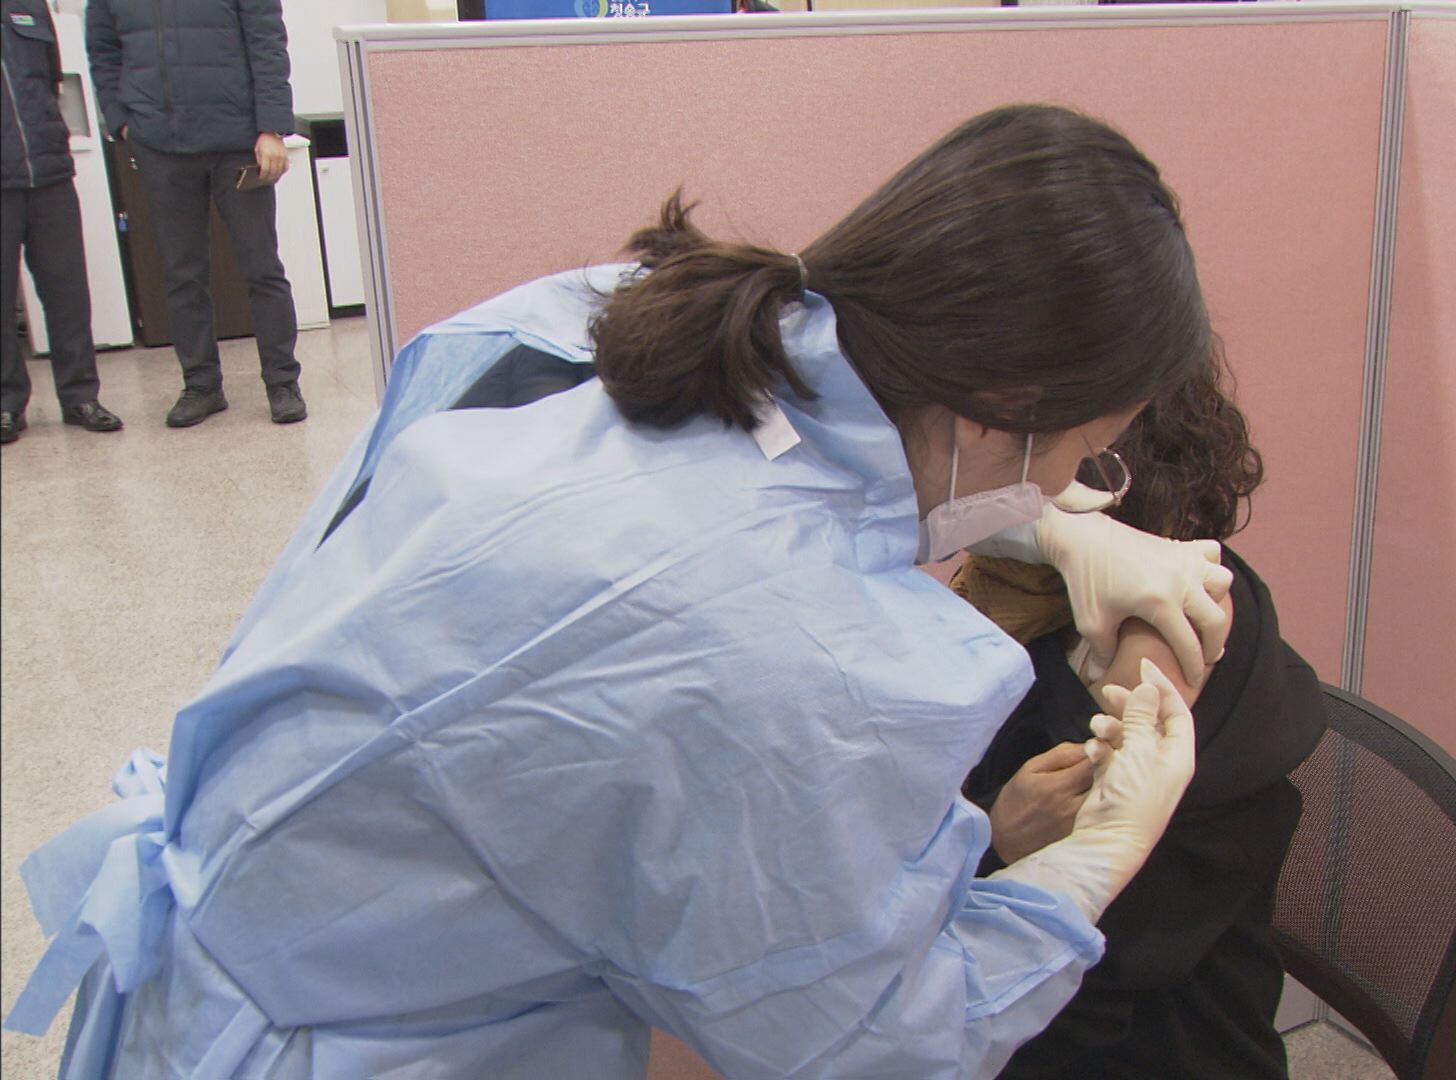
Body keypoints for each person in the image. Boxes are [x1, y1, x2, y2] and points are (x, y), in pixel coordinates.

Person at [4, 105, 1241, 1078]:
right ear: (1003, 409)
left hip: (216, 959)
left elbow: (789, 488)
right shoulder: (816, 668)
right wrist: (1096, 859)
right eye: (1093, 454)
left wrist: (1052, 526)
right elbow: (869, 1040)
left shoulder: (623, 324)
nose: (1085, 483)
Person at [954, 357, 1329, 1078]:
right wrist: (988, 831)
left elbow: (1084, 975)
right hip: (1036, 969)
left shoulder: (1163, 632)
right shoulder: (1036, 586)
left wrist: (987, 843)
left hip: (1135, 1039)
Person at [86, 0, 305, 428]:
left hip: (238, 141)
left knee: (261, 267)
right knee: (181, 274)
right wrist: (121, 122)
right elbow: (103, 51)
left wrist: (272, 126)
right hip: (160, 144)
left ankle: (282, 382)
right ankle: (201, 385)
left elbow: (266, 42)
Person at [1, 0, 122, 444]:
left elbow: (52, 79)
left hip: (49, 171)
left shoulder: (28, 6)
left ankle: (80, 396)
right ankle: (7, 403)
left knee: (67, 291)